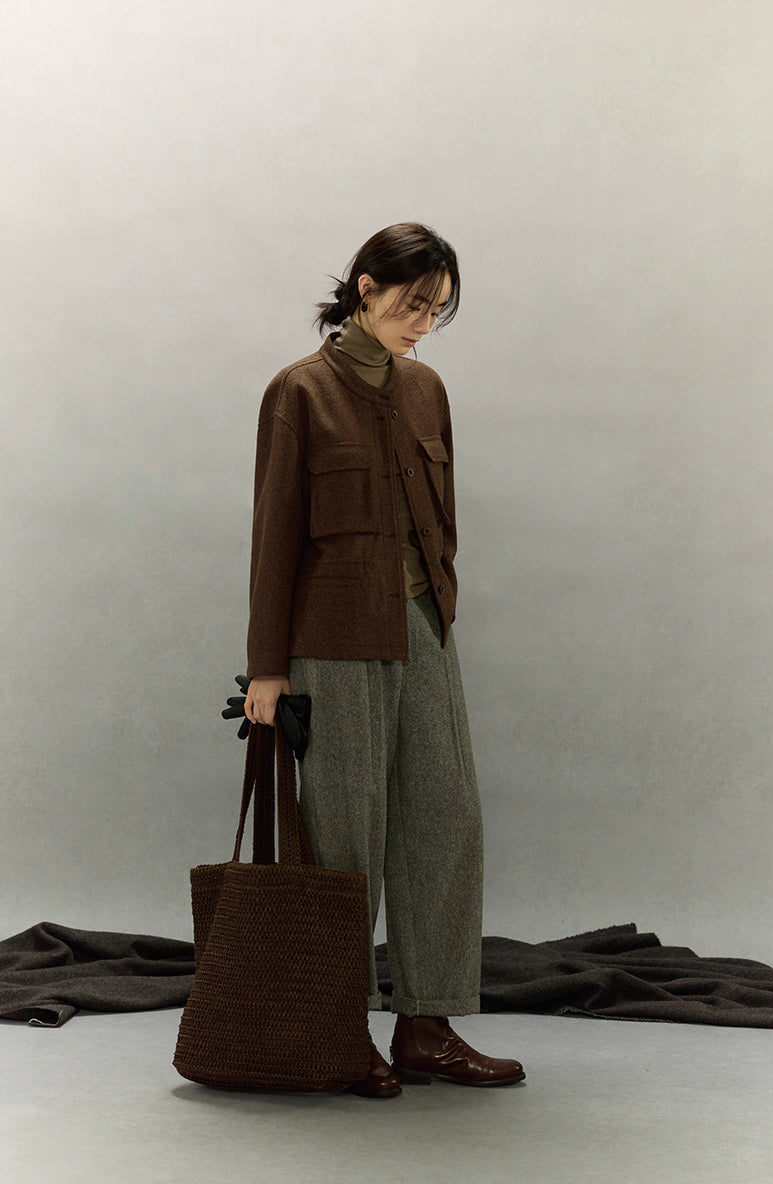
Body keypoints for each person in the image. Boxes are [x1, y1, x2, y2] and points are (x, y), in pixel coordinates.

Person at [243, 222, 524, 1098]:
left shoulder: (427, 389)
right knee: (343, 834)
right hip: (332, 642)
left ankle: (426, 1027)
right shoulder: (299, 393)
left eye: (437, 311)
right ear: (364, 289)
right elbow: (275, 536)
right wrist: (266, 670)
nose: (422, 325)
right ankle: (337, 1026)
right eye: (411, 305)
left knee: (447, 820)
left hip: (421, 631)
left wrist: (441, 609)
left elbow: (438, 524)